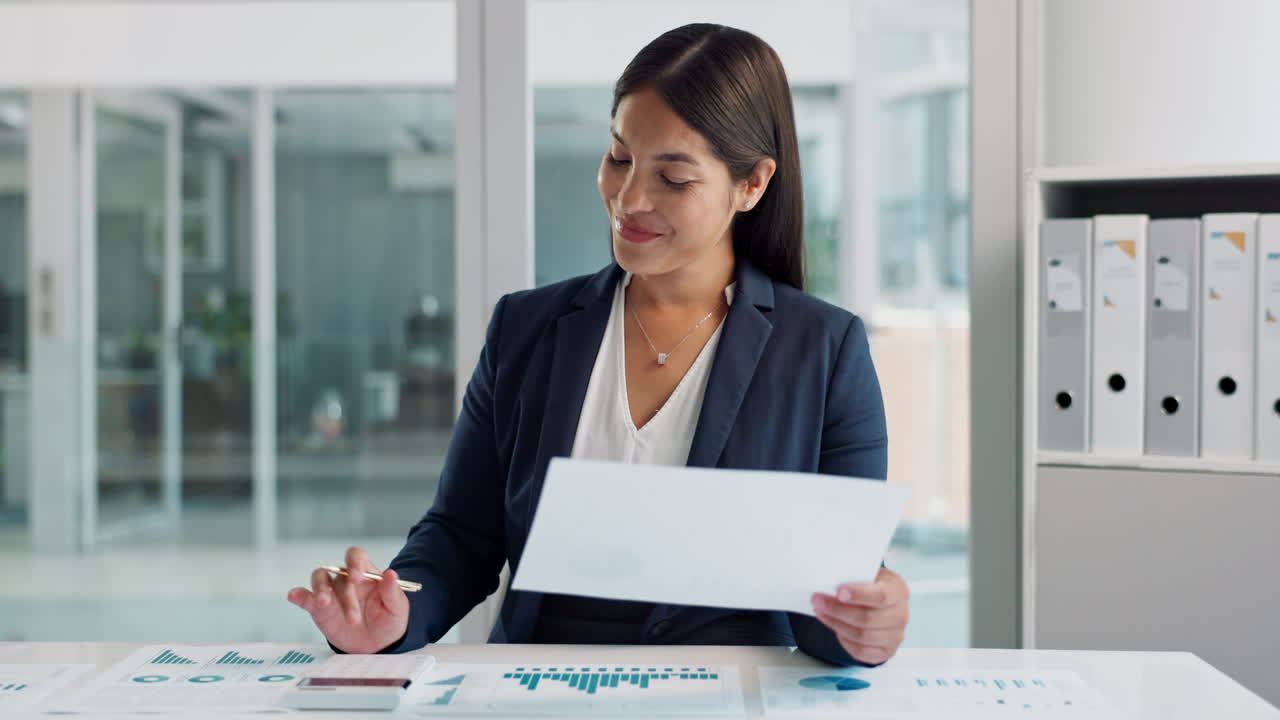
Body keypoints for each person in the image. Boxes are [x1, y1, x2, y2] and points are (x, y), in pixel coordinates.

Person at [289, 22, 910, 666]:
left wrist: (865, 623)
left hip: (725, 699)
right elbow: (460, 534)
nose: (629, 198)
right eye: (619, 158)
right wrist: (394, 613)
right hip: (538, 695)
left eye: (673, 179)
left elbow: (838, 603)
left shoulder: (824, 350)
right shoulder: (525, 329)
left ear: (751, 184)